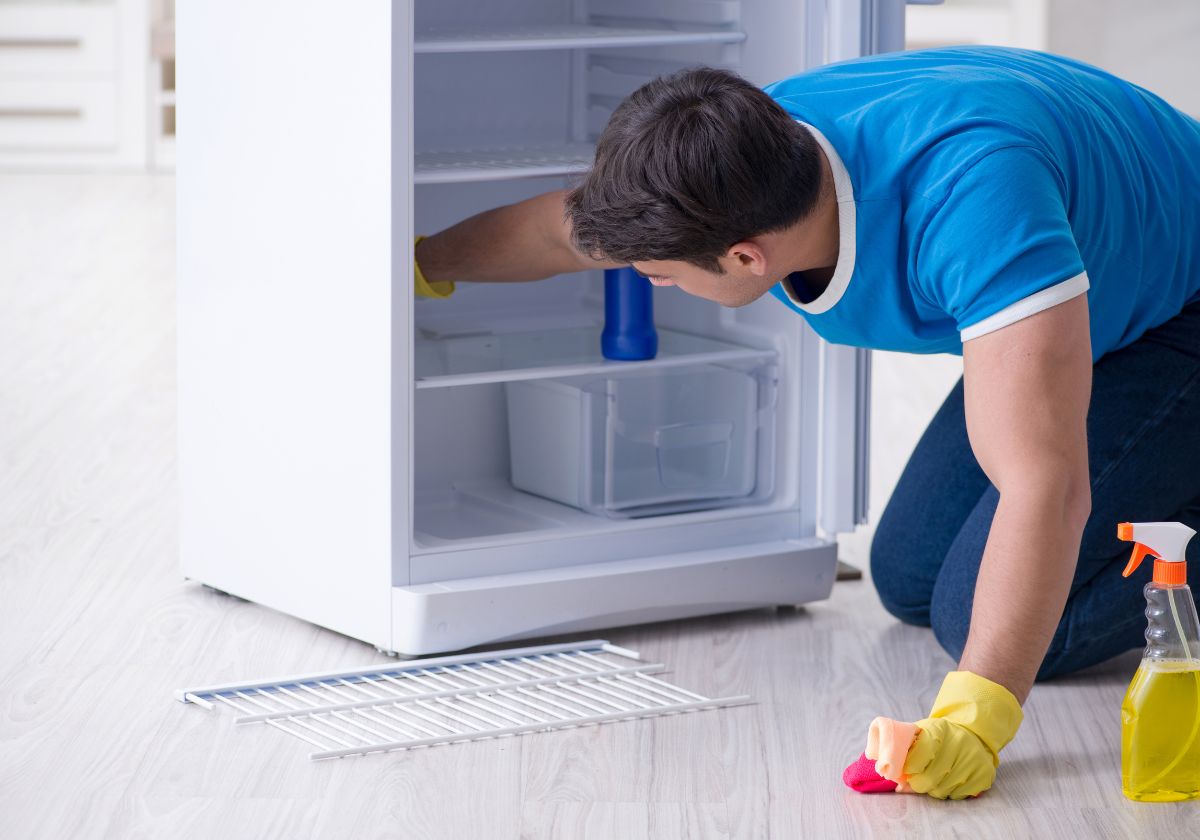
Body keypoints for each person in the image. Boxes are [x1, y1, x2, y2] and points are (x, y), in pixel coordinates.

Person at [413, 46, 1200, 799]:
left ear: (748, 258)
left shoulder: (973, 202)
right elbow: (565, 230)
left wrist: (978, 720)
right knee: (912, 578)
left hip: (1181, 309)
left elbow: (1044, 485)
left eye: (658, 276)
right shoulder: (736, 154)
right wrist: (416, 265)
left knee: (1013, 627)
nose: (649, 283)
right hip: (1107, 283)